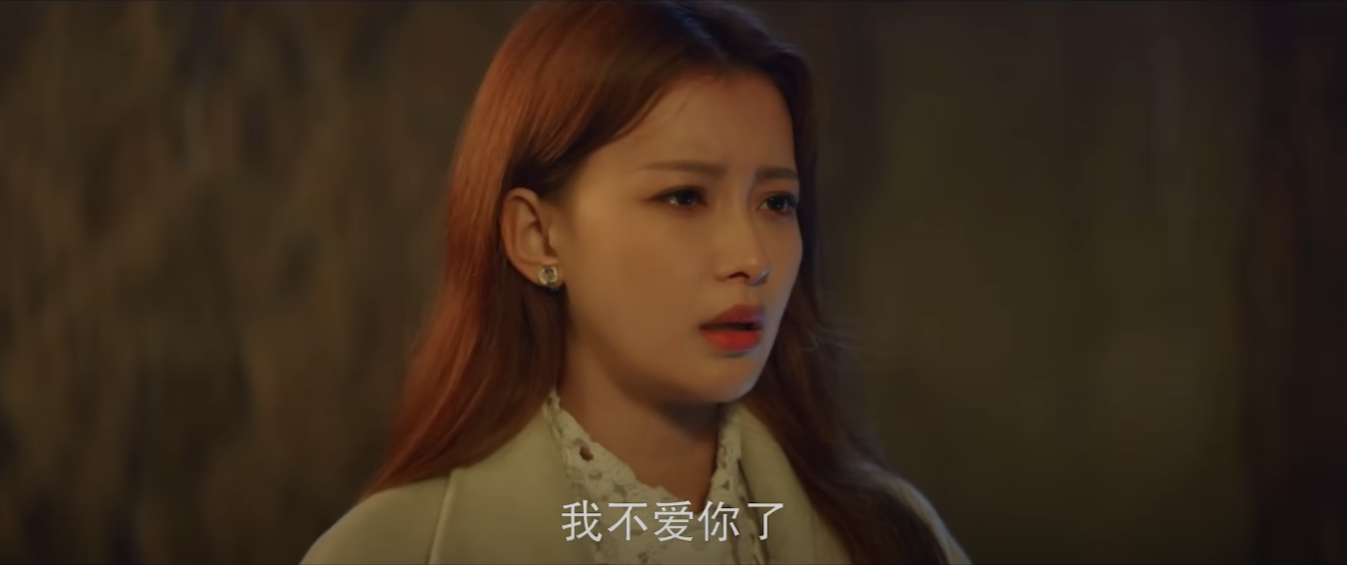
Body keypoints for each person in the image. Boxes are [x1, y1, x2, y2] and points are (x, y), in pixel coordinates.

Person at [302, 1, 968, 563]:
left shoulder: (893, 535)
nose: (751, 257)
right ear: (537, 236)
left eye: (776, 202)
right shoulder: (390, 549)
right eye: (684, 196)